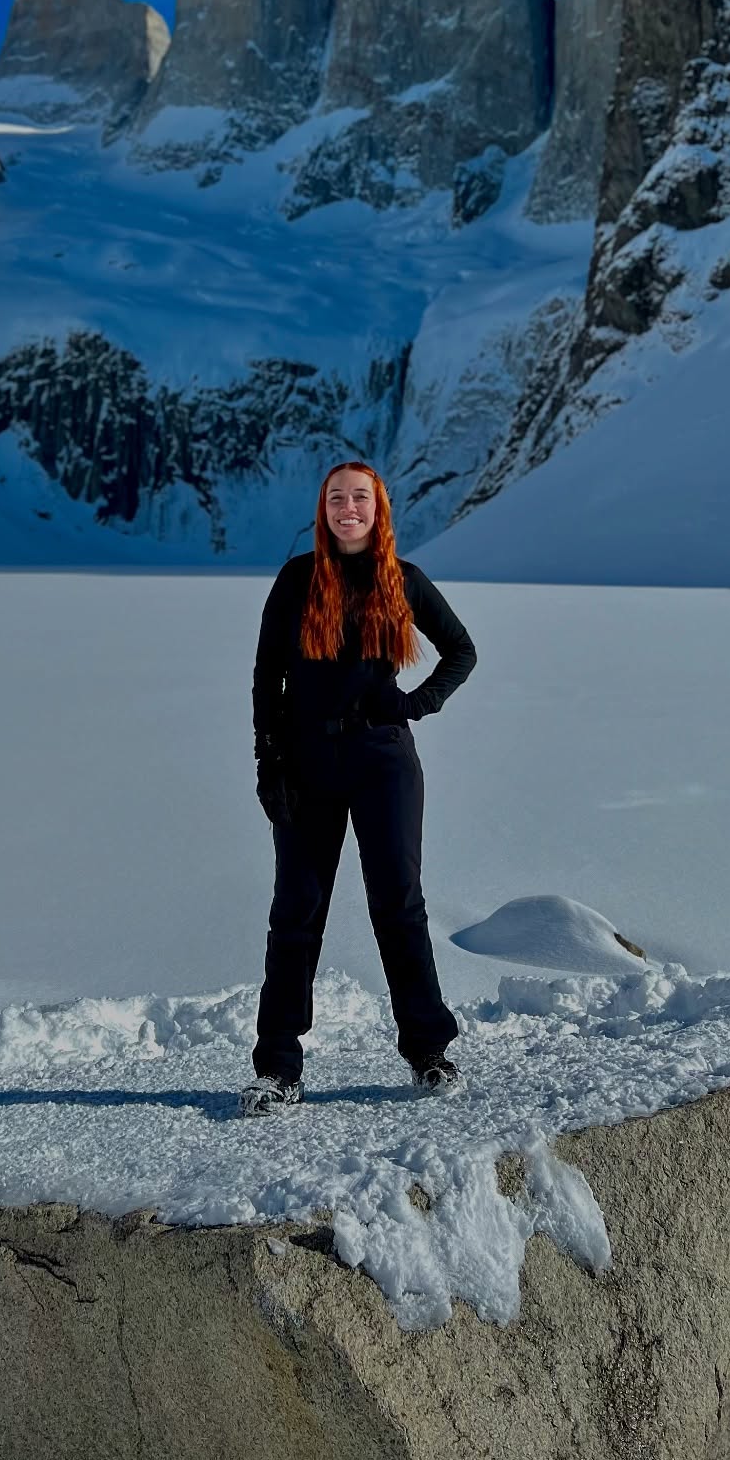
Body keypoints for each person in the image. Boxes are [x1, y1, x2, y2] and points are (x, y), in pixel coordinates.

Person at [239, 460, 478, 1118]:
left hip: (382, 760)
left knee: (398, 905)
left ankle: (428, 1050)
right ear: (323, 508)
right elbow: (267, 678)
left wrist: (416, 704)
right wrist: (269, 762)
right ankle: (278, 1067)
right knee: (296, 913)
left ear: (380, 510)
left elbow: (461, 649)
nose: (349, 508)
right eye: (338, 498)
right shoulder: (296, 580)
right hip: (307, 761)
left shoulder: (401, 580)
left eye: (361, 499)